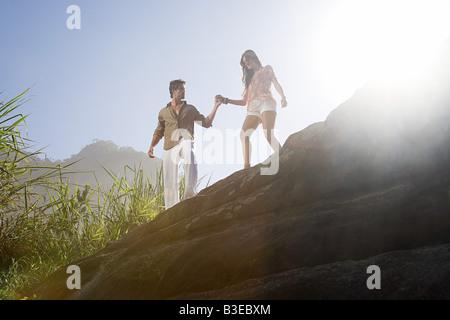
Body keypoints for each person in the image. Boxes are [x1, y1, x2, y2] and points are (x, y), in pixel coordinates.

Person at [149, 79, 221, 209]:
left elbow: (206, 123)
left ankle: (190, 194)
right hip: (169, 146)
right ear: (173, 91)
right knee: (169, 178)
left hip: (185, 140)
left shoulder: (190, 109)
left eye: (184, 89)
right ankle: (171, 208)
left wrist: (215, 107)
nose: (184, 91)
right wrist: (152, 147)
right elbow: (159, 131)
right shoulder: (163, 112)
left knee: (189, 149)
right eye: (181, 89)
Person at [216, 50, 287, 170]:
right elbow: (244, 102)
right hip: (253, 107)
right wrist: (226, 100)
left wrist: (283, 97)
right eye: (244, 63)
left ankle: (283, 156)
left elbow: (275, 83)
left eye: (247, 60)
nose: (247, 63)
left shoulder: (267, 69)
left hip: (266, 102)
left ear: (253, 57)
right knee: (243, 135)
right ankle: (246, 168)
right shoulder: (249, 81)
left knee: (267, 133)